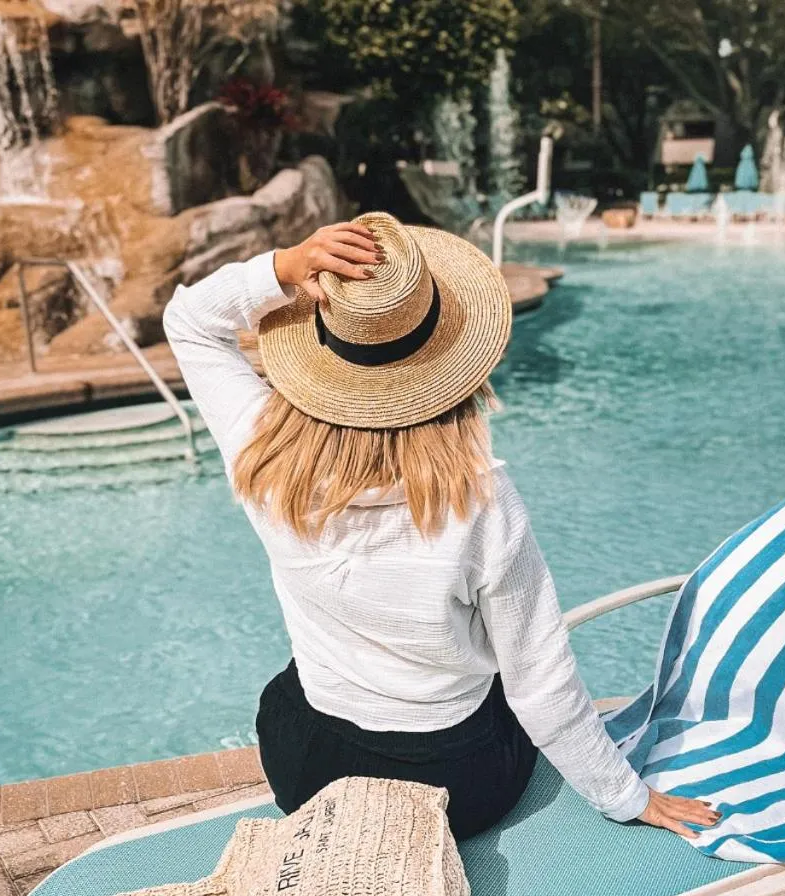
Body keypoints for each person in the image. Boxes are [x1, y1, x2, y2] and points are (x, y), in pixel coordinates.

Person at [164, 212, 718, 840]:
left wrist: (285, 266)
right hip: (454, 789)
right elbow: (541, 685)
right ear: (453, 371)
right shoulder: (479, 502)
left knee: (292, 690)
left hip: (310, 772)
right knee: (502, 686)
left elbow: (189, 321)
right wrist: (627, 797)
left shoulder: (259, 453)